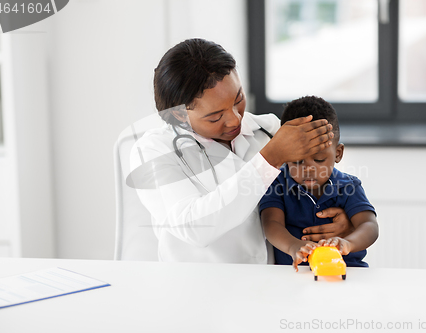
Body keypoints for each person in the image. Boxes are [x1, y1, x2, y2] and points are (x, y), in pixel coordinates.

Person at [130, 38, 354, 263]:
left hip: (270, 283)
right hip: (198, 288)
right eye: (215, 116)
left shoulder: (269, 129)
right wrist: (270, 158)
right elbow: (194, 228)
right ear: (179, 114)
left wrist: (344, 219)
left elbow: (322, 182)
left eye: (238, 99)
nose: (235, 119)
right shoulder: (153, 150)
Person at [259, 96, 379, 271]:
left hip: (349, 271)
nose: (308, 169)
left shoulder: (348, 186)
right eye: (297, 162)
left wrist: (347, 243)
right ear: (285, 156)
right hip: (294, 274)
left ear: (338, 154)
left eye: (319, 159)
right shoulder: (277, 184)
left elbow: (369, 225)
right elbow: (271, 224)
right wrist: (293, 246)